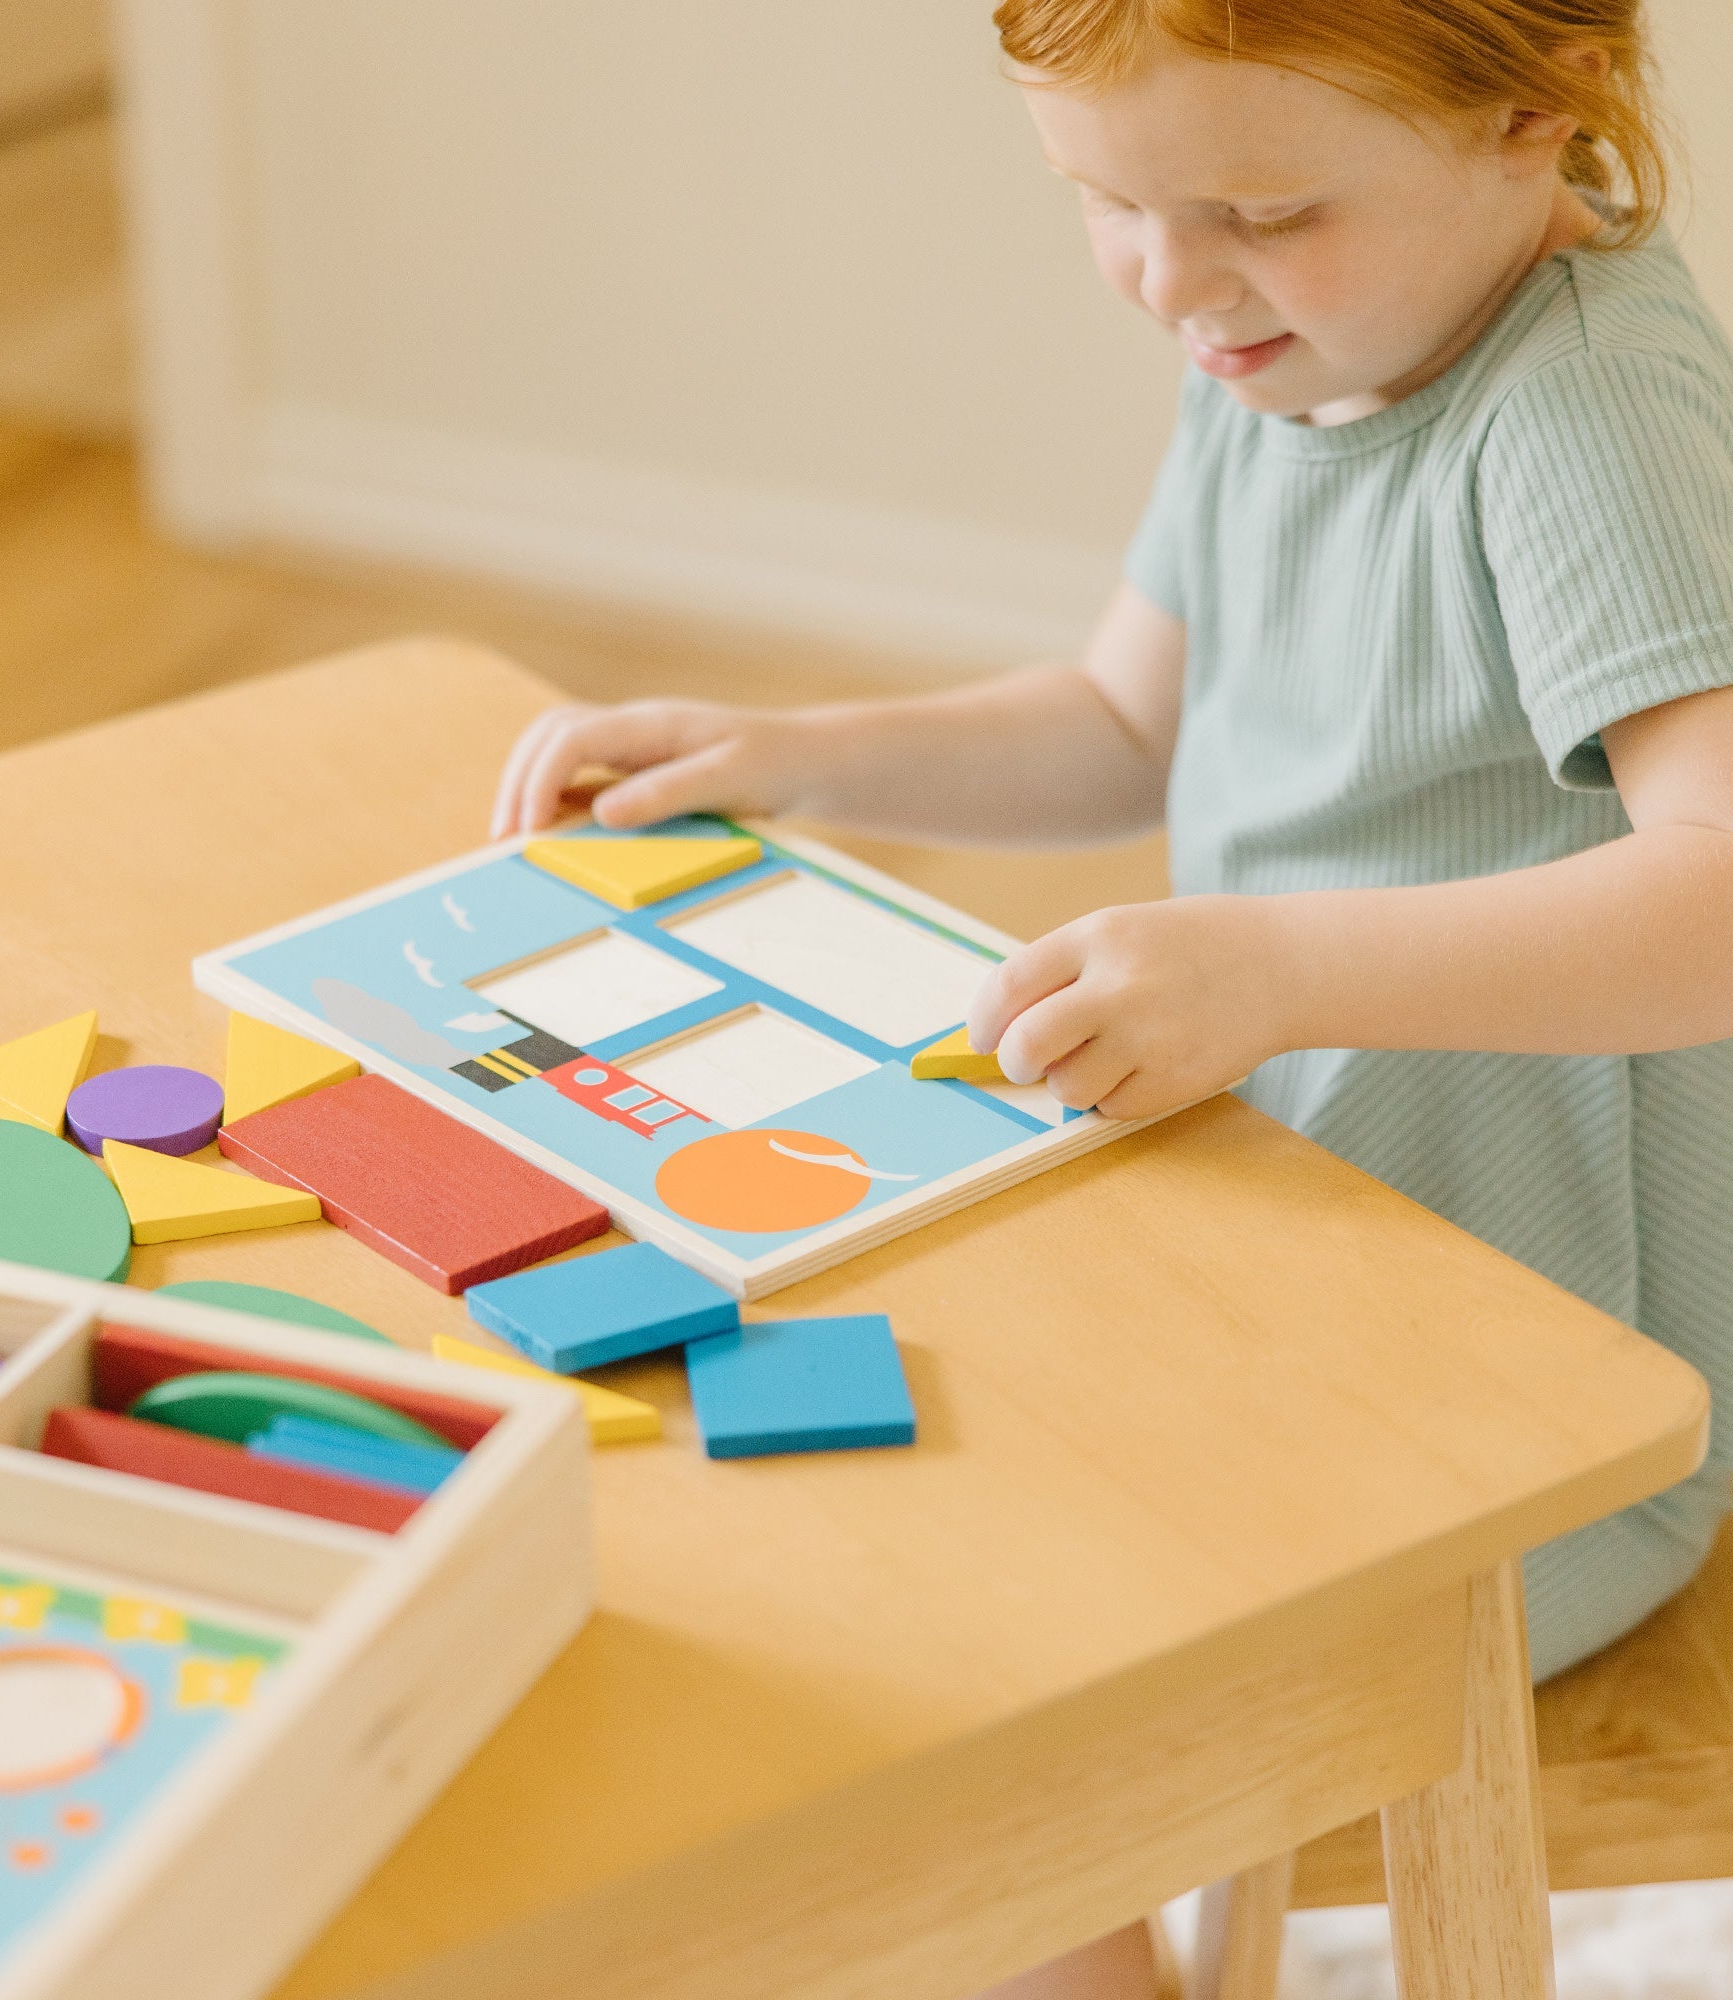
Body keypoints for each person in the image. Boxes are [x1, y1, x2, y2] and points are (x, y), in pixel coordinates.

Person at [493, 0, 1733, 1989]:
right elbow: (1113, 719)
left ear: (1533, 112)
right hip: (1293, 1243)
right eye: (1103, 201)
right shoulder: (1287, 347)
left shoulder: (1579, 415)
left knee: (973, 1693)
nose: (1169, 277)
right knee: (845, 1525)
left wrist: (1275, 966)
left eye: (1259, 204)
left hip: (1519, 1396)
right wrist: (792, 749)